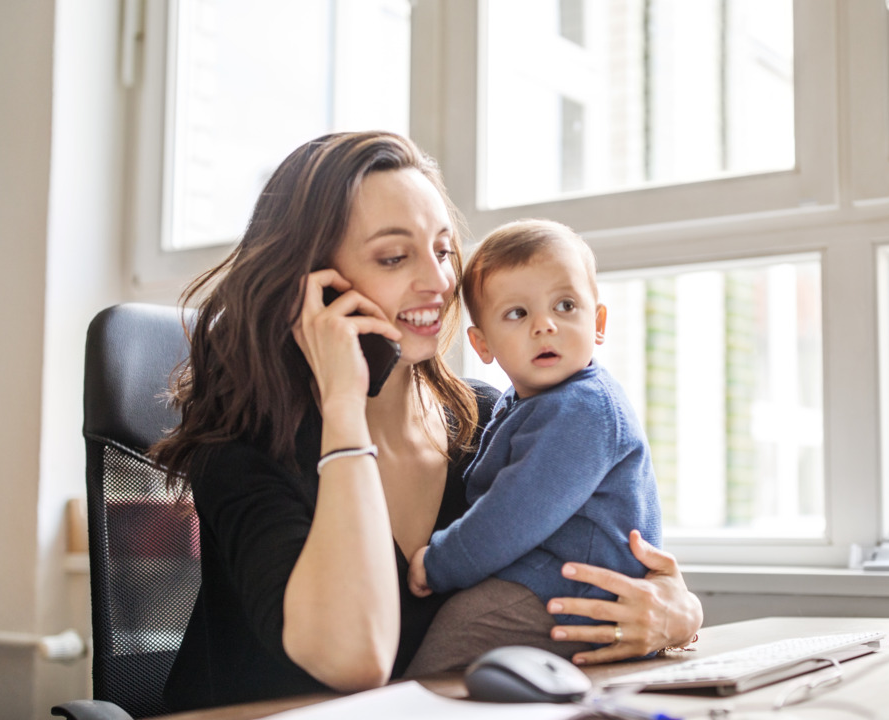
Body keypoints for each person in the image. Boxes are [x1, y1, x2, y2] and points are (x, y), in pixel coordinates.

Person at [149, 131, 702, 712]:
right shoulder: (243, 450)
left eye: (442, 250)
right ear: (312, 286)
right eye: (394, 257)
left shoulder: (489, 421)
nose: (440, 283)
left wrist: (675, 613)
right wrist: (343, 406)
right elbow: (355, 659)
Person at [403, 219, 661, 675]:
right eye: (517, 314)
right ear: (482, 343)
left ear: (597, 322)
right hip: (553, 585)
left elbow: (512, 514)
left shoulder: (583, 409)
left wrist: (439, 563)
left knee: (443, 654)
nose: (545, 326)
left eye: (565, 305)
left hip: (572, 594)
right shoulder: (521, 403)